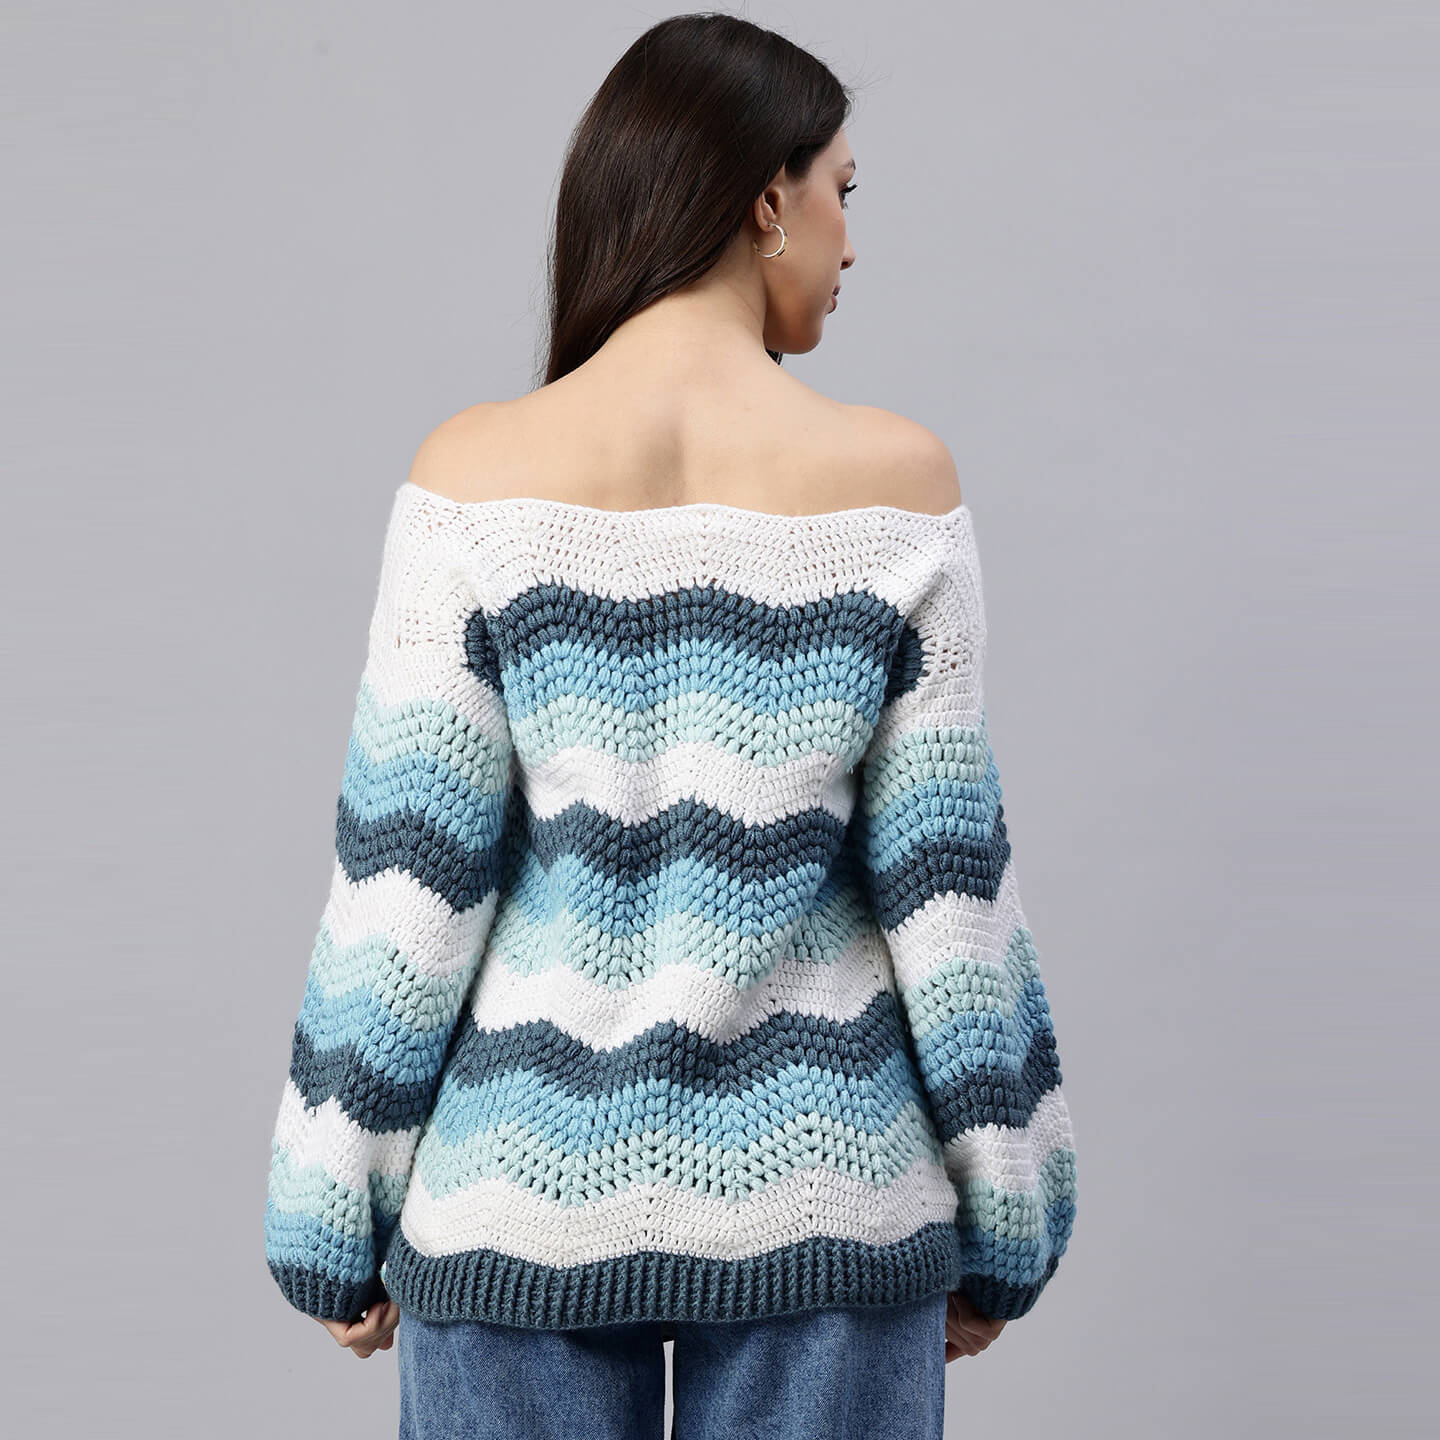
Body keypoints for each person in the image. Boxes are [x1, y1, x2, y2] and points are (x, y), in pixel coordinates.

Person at [262, 13, 1077, 1438]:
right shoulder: (896, 485)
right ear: (767, 199)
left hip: (514, 1203)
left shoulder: (471, 477)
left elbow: (408, 883)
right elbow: (949, 901)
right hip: (828, 1203)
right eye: (843, 190)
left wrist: (332, 1207)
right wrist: (1011, 1214)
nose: (851, 240)